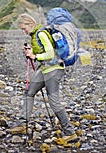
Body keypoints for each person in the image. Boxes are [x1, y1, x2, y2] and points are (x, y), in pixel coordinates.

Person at [17, 13, 77, 141]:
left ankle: (70, 132)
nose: (23, 32)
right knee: (29, 92)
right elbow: (43, 51)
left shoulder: (41, 34)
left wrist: (35, 57)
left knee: (53, 101)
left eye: (24, 29)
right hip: (44, 68)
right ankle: (22, 124)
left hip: (54, 69)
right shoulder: (35, 35)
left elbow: (50, 54)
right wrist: (31, 51)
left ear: (30, 24)